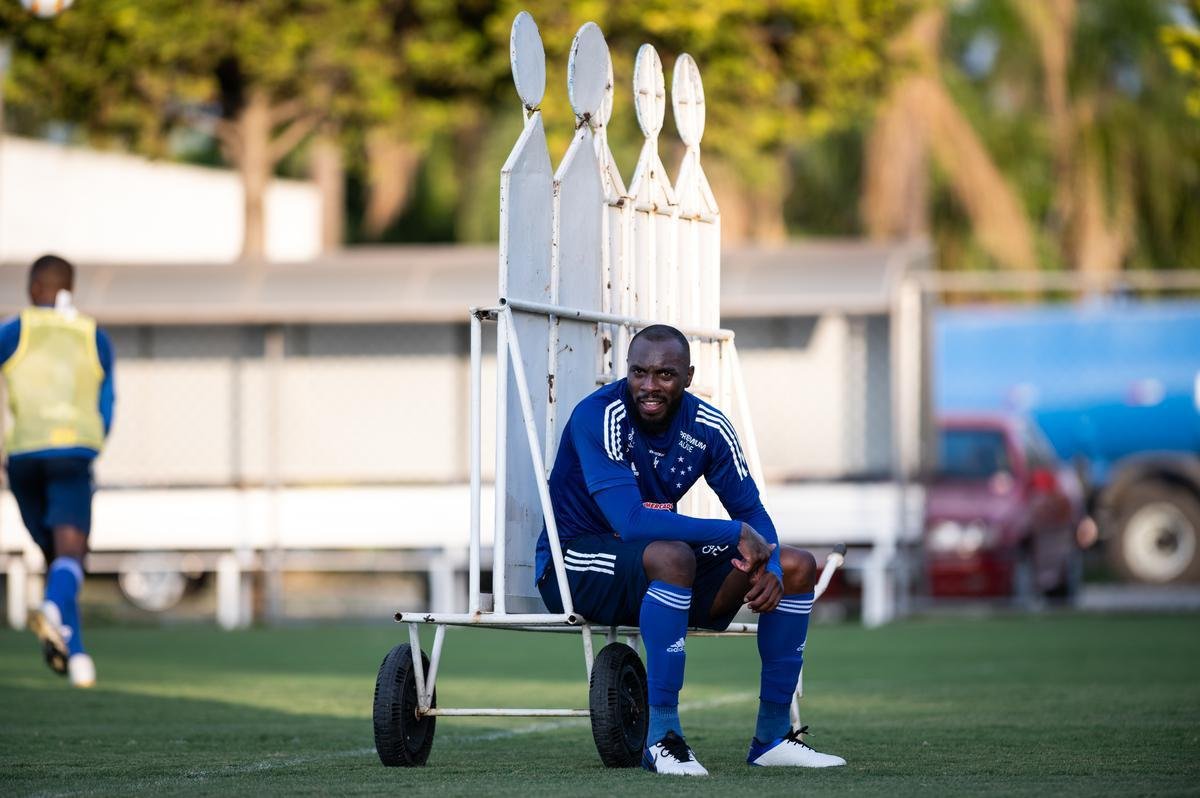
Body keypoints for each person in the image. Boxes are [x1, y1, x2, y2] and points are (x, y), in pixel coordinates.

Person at [536, 323, 845, 775]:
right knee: (674, 554)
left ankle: (772, 738)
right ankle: (662, 739)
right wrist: (733, 533)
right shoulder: (599, 415)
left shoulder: (708, 426)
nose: (649, 385)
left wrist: (771, 564)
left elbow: (754, 515)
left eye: (664, 374)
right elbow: (632, 522)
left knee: (799, 566)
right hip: (574, 564)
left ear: (687, 376)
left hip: (657, 568)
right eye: (639, 372)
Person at [0, 254, 115, 688]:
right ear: (71, 288)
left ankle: (77, 655)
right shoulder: (92, 335)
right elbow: (108, 402)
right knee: (71, 556)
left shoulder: (15, 330)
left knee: (55, 556)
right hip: (72, 453)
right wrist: (94, 441)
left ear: (33, 289)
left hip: (25, 456)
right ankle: (52, 612)